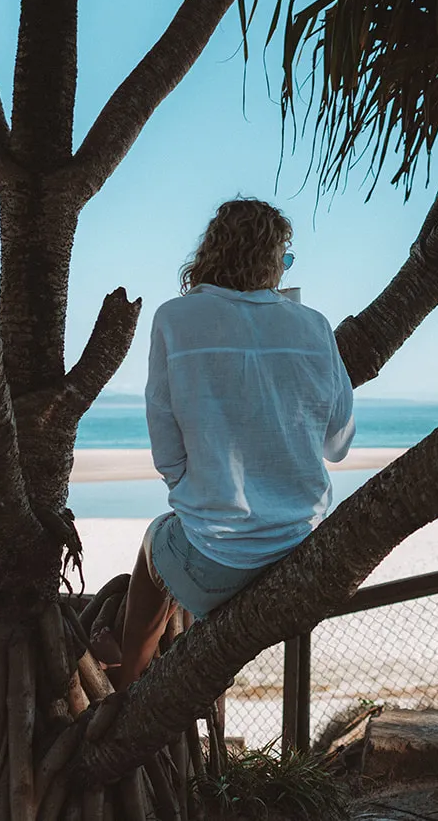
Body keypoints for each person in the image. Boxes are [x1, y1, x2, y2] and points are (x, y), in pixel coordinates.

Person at [107, 199, 356, 690]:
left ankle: (130, 681)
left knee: (156, 540)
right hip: (299, 547)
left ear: (210, 254)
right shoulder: (314, 326)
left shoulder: (175, 318)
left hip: (215, 561)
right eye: (285, 258)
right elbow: (338, 443)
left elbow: (167, 447)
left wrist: (199, 489)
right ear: (272, 262)